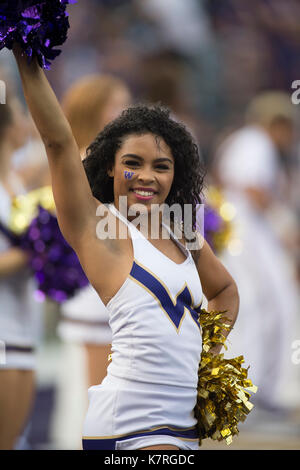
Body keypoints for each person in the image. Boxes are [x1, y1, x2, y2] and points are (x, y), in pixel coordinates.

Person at [12, 45, 239, 451]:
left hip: (182, 425)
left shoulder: (181, 228)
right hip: (130, 425)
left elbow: (224, 291)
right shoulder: (102, 229)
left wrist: (205, 357)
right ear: (109, 167)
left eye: (162, 166)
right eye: (133, 163)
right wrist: (26, 54)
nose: (147, 177)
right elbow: (59, 143)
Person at [58, 74, 131, 389]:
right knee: (100, 398)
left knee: (109, 400)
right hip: (98, 290)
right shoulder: (89, 160)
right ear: (92, 110)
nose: (125, 113)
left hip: (115, 285)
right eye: (116, 105)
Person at [0, 97, 41, 449]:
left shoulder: (15, 180)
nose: (26, 123)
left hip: (25, 328)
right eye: (19, 114)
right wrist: (36, 252)